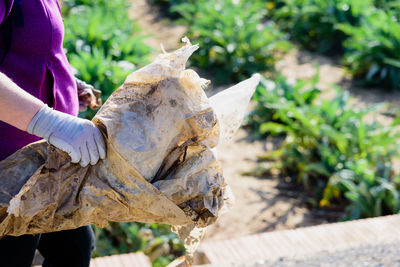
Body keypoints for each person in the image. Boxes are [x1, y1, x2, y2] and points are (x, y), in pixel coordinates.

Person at [0, 0, 107, 266]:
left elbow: (35, 47)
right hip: (7, 173)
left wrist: (65, 84)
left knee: (75, 248)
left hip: (46, 165)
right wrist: (51, 122)